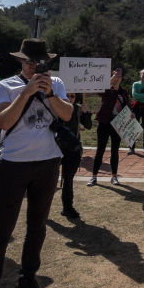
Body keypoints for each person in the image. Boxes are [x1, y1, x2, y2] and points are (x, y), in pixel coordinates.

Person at [0, 38, 73, 288]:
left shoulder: (57, 83)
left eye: (39, 62)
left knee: (37, 226)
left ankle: (27, 280)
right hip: (13, 164)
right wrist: (26, 92)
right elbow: (3, 121)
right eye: (29, 61)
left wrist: (50, 93)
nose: (34, 66)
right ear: (20, 62)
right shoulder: (4, 86)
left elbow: (66, 114)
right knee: (1, 231)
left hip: (48, 163)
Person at [89, 68, 129, 186]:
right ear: (111, 75)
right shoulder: (105, 89)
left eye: (120, 76)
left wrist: (130, 113)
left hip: (117, 123)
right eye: (115, 74)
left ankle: (114, 176)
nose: (117, 77)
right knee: (100, 150)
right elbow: (100, 94)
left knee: (114, 150)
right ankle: (94, 176)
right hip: (104, 122)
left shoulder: (123, 92)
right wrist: (111, 82)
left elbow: (128, 105)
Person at [59, 91, 85, 219]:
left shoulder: (78, 109)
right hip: (55, 149)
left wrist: (87, 112)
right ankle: (41, 209)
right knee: (48, 180)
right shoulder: (55, 107)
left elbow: (88, 125)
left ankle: (67, 207)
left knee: (68, 180)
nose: (69, 98)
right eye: (67, 96)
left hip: (73, 150)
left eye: (72, 96)